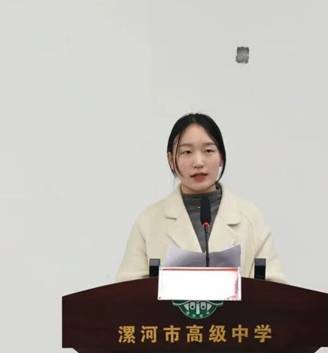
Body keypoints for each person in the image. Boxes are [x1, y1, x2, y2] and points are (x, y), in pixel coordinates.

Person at [116, 113, 287, 283]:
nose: (198, 162)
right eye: (187, 152)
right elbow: (127, 291)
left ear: (221, 156)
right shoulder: (149, 221)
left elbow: (275, 289)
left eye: (208, 151)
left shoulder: (250, 217)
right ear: (171, 160)